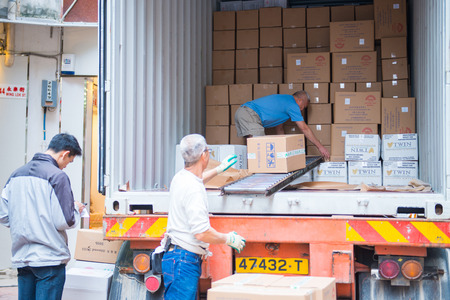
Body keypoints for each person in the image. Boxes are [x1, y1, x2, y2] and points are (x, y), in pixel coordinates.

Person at [161, 134, 246, 299]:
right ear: (204, 155)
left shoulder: (180, 177)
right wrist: (227, 238)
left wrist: (219, 169)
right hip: (183, 261)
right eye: (208, 150)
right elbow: (201, 232)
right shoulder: (193, 190)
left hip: (177, 257)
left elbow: (197, 179)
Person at [0, 133, 84, 300]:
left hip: (22, 259)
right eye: (69, 162)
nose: (66, 166)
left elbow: (3, 216)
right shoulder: (57, 177)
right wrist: (76, 208)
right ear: (65, 153)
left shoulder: (16, 175)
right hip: (49, 260)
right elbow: (65, 221)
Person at [235, 90, 330, 160]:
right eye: (303, 107)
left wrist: (284, 154)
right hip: (249, 114)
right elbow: (304, 128)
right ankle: (258, 175)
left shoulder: (284, 103)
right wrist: (320, 147)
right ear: (300, 100)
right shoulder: (292, 104)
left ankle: (253, 170)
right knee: (260, 149)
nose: (301, 110)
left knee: (255, 149)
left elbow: (279, 129)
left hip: (244, 113)